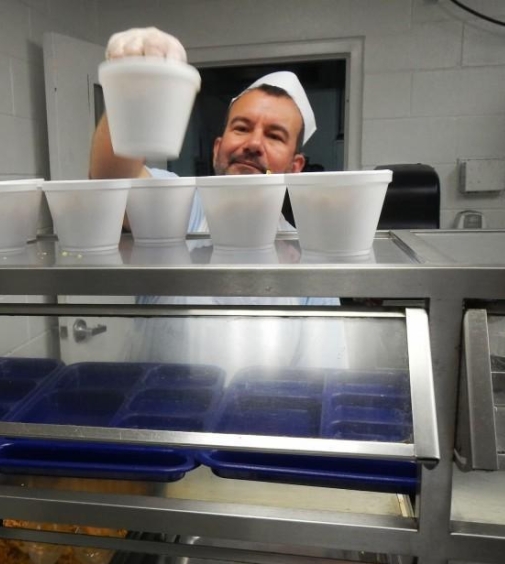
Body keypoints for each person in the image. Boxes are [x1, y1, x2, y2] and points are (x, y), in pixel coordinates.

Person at [90, 27, 346, 372]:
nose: (254, 143)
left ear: (295, 166)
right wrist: (135, 89)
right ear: (217, 149)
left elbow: (324, 382)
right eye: (241, 128)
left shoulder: (309, 260)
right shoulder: (180, 208)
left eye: (274, 135)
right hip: (150, 417)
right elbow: (111, 184)